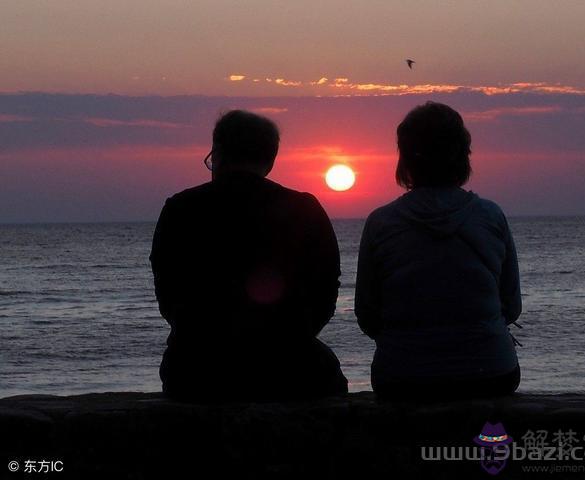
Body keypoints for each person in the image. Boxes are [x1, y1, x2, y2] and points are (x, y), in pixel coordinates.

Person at [150, 110, 347, 401]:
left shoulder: (180, 209)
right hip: (289, 367)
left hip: (195, 371)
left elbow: (169, 296)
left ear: (217, 153)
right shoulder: (304, 209)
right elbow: (324, 294)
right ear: (270, 160)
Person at [355, 102, 521, 400]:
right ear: (463, 155)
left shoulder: (381, 222)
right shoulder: (490, 216)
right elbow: (511, 306)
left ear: (405, 158)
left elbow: (367, 314)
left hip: (402, 377)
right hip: (489, 373)